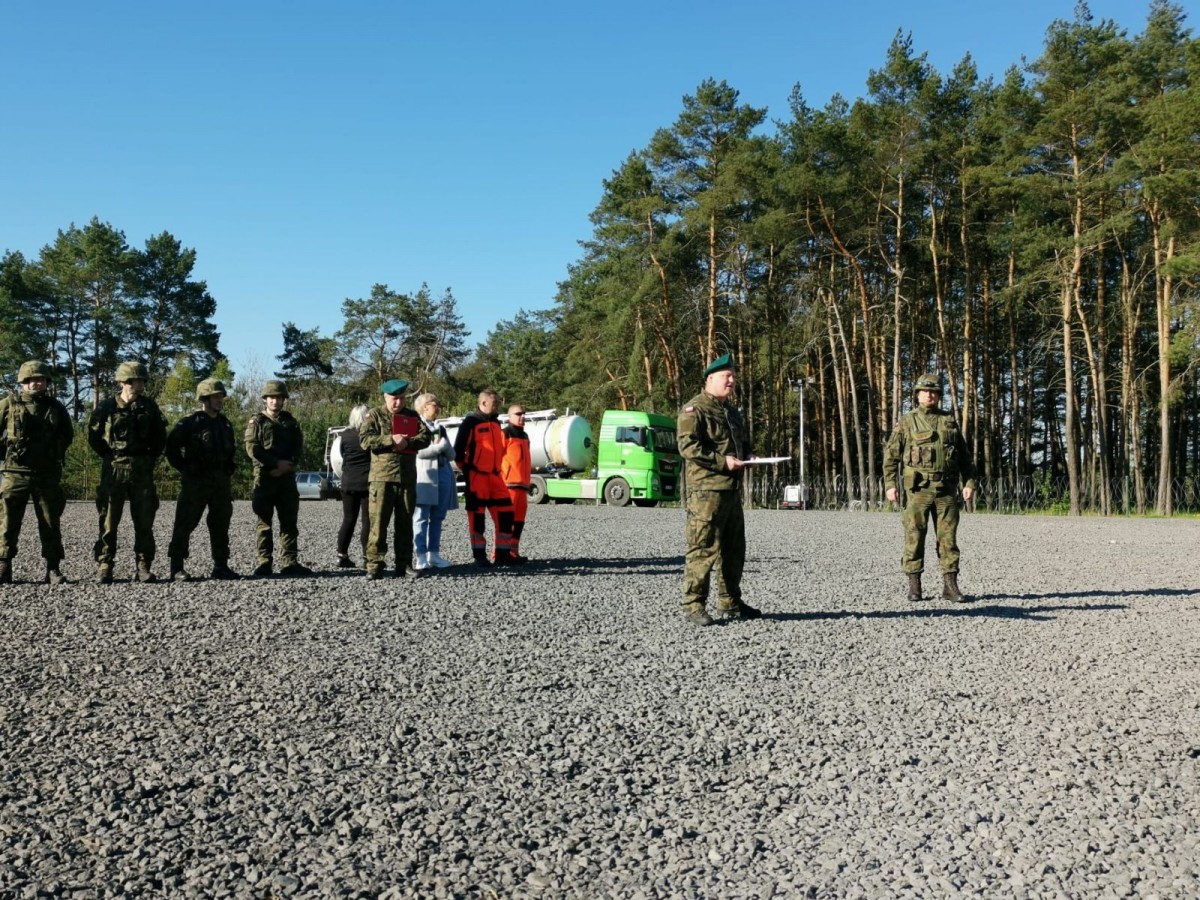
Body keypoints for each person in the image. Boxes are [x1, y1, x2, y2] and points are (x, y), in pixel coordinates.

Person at [677, 353, 760, 626]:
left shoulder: (731, 411)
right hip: (706, 492)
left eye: (733, 376)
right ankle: (694, 605)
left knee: (734, 550)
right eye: (727, 376)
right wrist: (721, 461)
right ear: (710, 378)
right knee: (703, 548)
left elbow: (739, 444)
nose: (732, 381)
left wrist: (749, 456)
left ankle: (730, 602)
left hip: (731, 490)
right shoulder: (695, 409)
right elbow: (688, 446)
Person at [883, 373, 977, 603]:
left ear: (939, 395)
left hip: (946, 490)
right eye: (925, 391)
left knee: (948, 539)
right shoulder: (907, 422)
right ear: (917, 395)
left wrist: (970, 482)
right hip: (918, 491)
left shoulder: (949, 421)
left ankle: (950, 586)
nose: (929, 395)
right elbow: (891, 456)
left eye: (934, 392)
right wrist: (890, 484)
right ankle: (915, 585)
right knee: (914, 537)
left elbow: (965, 458)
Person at [87, 361, 168, 583]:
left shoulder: (149, 407)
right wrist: (108, 455)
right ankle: (105, 565)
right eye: (135, 381)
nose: (139, 385)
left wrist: (149, 458)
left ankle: (143, 566)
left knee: (144, 521)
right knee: (108, 521)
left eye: (142, 381)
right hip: (114, 470)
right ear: (123, 382)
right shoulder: (106, 407)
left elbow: (161, 437)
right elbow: (93, 436)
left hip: (142, 471)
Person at [0, 361, 74, 585]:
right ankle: (4, 565)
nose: (37, 382)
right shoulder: (8, 404)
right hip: (15, 472)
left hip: (46, 473)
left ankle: (53, 568)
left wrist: (53, 451)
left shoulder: (55, 407)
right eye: (32, 379)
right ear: (23, 381)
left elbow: (67, 435)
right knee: (8, 521)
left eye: (41, 379)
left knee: (50, 521)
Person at [165, 378, 240, 581]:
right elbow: (171, 448)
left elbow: (230, 451)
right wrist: (185, 469)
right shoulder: (190, 422)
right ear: (205, 398)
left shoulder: (225, 423)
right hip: (196, 482)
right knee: (185, 522)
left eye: (221, 396)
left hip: (220, 483)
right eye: (215, 396)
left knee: (220, 523)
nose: (220, 400)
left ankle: (221, 565)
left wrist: (228, 471)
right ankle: (176, 566)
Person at [358, 379, 431, 580]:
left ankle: (404, 564)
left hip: (406, 479)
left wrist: (408, 441)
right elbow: (364, 440)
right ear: (385, 397)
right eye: (394, 399)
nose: (397, 403)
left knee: (405, 523)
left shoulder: (412, 416)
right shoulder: (374, 415)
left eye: (401, 399)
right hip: (382, 479)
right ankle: (374, 565)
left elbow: (426, 437)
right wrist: (391, 439)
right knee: (378, 524)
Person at [244, 379, 312, 578]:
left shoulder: (290, 421)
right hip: (265, 478)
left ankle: (290, 562)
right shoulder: (257, 421)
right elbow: (252, 449)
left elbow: (298, 447)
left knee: (289, 522)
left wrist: (286, 466)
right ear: (265, 399)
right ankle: (264, 562)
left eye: (279, 398)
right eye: (272, 398)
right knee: (264, 523)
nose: (275, 401)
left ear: (283, 400)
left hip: (286, 478)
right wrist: (274, 465)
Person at [453, 389, 515, 567]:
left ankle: (503, 554)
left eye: (498, 403)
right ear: (483, 403)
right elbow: (458, 451)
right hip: (477, 477)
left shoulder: (496, 423)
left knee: (506, 512)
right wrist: (469, 469)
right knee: (477, 517)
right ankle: (479, 556)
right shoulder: (470, 422)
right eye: (494, 403)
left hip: (495, 477)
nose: (497, 405)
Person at [412, 392, 457, 570]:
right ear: (424, 407)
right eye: (434, 404)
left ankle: (434, 554)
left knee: (438, 516)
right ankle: (420, 555)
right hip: (425, 474)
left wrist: (444, 447)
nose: (438, 407)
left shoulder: (441, 427)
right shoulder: (416, 426)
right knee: (421, 516)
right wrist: (438, 447)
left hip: (443, 472)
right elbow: (417, 452)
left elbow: (452, 454)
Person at [335, 404, 371, 568]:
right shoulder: (368, 435)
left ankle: (342, 555)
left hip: (348, 481)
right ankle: (366, 556)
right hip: (366, 482)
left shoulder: (344, 435)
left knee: (348, 519)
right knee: (367, 521)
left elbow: (342, 455)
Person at [499, 404, 532, 564]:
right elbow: (497, 458)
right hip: (509, 485)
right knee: (506, 521)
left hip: (523, 485)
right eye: (518, 414)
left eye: (523, 414)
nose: (522, 416)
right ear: (509, 416)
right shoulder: (504, 434)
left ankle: (514, 551)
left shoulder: (525, 436)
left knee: (519, 521)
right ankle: (499, 553)